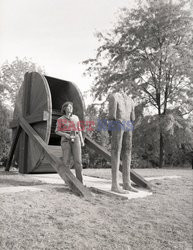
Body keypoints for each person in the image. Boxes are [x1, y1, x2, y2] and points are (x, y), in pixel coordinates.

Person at [108, 91, 138, 193]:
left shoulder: (131, 100)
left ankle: (127, 183)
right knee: (116, 151)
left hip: (127, 124)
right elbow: (112, 116)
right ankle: (115, 184)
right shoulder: (114, 97)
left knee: (127, 153)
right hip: (119, 123)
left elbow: (133, 117)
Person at [55, 101, 85, 183]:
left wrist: (82, 140)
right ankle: (67, 181)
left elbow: (79, 129)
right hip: (65, 140)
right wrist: (65, 135)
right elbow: (57, 131)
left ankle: (80, 182)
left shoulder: (76, 118)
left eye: (71, 107)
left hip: (76, 138)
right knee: (66, 162)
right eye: (69, 107)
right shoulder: (60, 119)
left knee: (78, 161)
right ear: (64, 108)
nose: (71, 108)